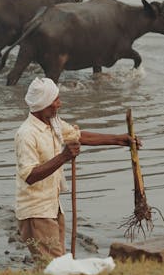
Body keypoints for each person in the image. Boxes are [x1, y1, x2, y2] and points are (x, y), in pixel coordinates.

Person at [14, 77, 142, 264]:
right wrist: (64, 157)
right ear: (45, 105)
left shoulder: (54, 124)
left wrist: (119, 140)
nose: (60, 103)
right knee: (54, 267)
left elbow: (80, 136)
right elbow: (30, 176)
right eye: (56, 100)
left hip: (53, 207)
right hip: (36, 213)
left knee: (57, 264)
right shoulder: (26, 134)